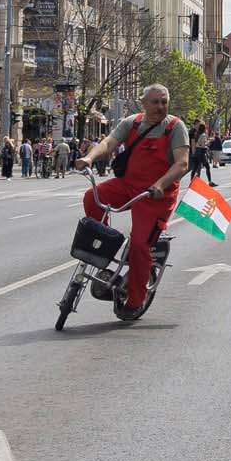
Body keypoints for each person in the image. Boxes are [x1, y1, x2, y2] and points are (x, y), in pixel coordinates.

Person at [77, 84, 190, 311]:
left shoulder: (175, 127)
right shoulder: (132, 123)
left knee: (139, 245)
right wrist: (89, 158)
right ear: (144, 103)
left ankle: (135, 301)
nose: (160, 106)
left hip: (157, 195)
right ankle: (105, 248)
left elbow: (182, 163)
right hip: (129, 185)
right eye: (155, 102)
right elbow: (108, 143)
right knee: (92, 197)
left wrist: (159, 184)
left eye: (163, 102)